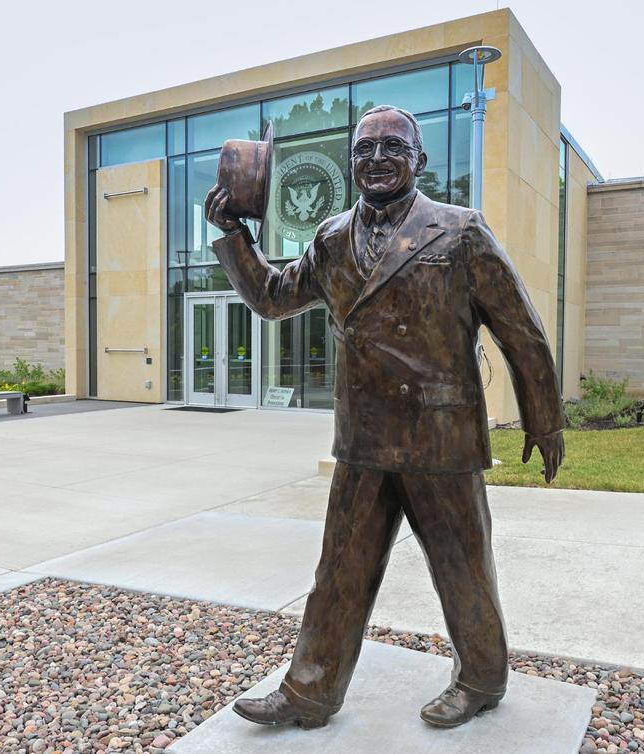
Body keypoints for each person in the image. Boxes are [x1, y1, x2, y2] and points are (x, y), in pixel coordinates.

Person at [204, 105, 565, 729]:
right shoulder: (332, 237)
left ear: (419, 160)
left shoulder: (460, 230)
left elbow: (521, 331)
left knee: (461, 564)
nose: (375, 159)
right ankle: (309, 690)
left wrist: (545, 418)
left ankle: (481, 678)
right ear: (351, 166)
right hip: (365, 435)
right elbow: (271, 297)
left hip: (439, 435)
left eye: (391, 147)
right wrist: (235, 234)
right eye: (364, 149)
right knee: (339, 568)